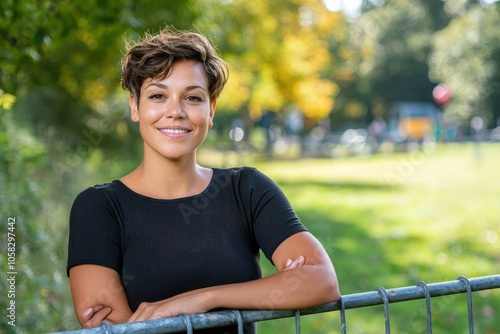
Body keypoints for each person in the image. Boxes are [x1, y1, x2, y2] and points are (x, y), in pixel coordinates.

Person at [67, 27, 341, 334]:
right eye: (158, 95)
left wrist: (201, 300)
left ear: (210, 110)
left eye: (192, 97)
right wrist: (267, 289)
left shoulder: (246, 190)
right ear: (135, 106)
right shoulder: (99, 207)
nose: (175, 112)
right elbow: (107, 323)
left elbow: (322, 281)